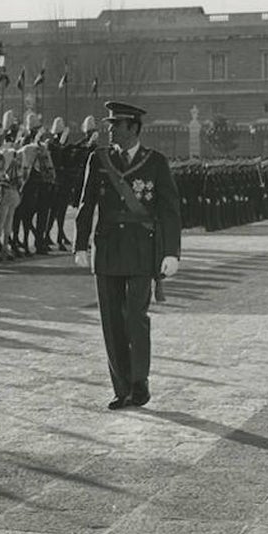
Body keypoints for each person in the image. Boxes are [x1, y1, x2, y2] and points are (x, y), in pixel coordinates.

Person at [74, 101, 181, 409]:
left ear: (133, 128)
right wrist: (81, 244)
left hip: (140, 249)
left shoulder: (155, 162)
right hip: (107, 249)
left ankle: (139, 383)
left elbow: (170, 210)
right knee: (111, 321)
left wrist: (171, 252)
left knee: (136, 317)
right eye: (110, 126)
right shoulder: (99, 160)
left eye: (116, 126)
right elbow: (86, 204)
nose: (111, 131)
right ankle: (121, 388)